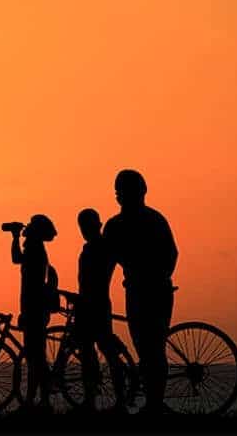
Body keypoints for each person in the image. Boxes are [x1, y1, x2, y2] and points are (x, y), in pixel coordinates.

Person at [103, 170, 178, 415]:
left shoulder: (151, 220)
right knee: (146, 347)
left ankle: (155, 403)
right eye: (119, 191)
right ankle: (154, 402)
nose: (120, 196)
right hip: (139, 290)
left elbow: (171, 255)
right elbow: (107, 264)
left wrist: (156, 277)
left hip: (152, 290)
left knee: (153, 347)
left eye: (123, 191)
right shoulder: (118, 225)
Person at [74, 208, 127, 412]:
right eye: (82, 227)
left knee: (105, 353)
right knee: (89, 353)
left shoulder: (103, 248)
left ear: (97, 225)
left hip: (95, 305)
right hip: (89, 304)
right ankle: (91, 400)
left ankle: (118, 401)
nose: (85, 230)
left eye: (87, 226)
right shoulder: (92, 248)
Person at [10, 214, 57, 412]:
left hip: (33, 308)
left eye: (30, 226)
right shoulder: (35, 249)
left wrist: (14, 237)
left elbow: (31, 285)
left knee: (35, 357)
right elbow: (17, 259)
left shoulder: (35, 250)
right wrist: (15, 238)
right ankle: (36, 400)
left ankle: (37, 400)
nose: (26, 228)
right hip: (35, 307)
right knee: (35, 356)